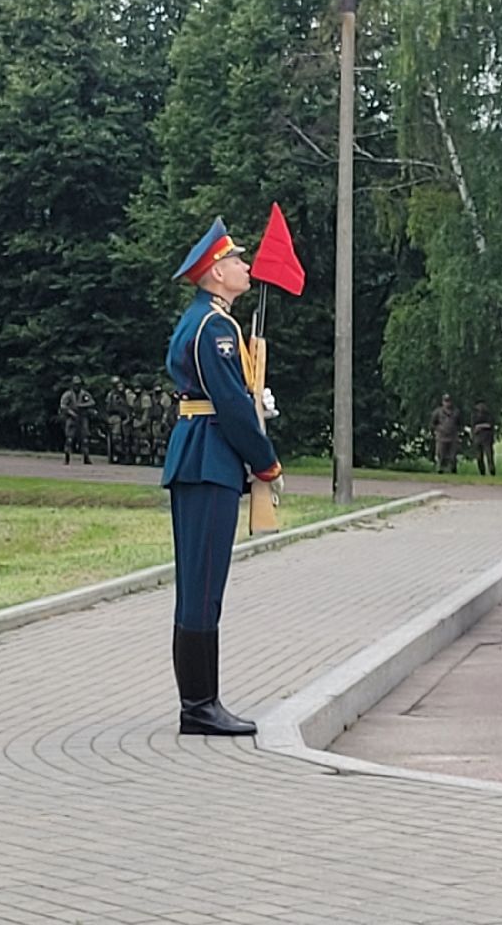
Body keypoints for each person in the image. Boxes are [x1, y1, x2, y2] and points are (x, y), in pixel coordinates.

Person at [161, 217, 282, 735]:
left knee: (197, 584)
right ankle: (199, 707)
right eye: (235, 261)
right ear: (215, 274)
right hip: (210, 456)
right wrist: (265, 460)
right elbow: (230, 405)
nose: (244, 267)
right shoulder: (215, 327)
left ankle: (198, 702)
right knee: (204, 584)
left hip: (198, 452)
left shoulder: (201, 321)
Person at [58, 378, 93, 465]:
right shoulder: (68, 394)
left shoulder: (84, 394)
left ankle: (86, 457)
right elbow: (63, 405)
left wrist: (82, 405)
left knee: (85, 438)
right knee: (69, 438)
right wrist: (71, 412)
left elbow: (92, 402)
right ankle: (67, 458)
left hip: (82, 417)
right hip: (71, 418)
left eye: (79, 384)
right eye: (75, 384)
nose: (77, 386)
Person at [430, 394, 462, 473]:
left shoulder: (456, 412)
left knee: (453, 455)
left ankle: (453, 469)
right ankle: (440, 469)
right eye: (446, 401)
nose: (447, 403)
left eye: (449, 401)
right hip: (441, 436)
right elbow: (432, 423)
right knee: (440, 454)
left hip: (453, 436)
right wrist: (437, 430)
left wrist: (458, 432)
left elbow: (459, 423)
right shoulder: (437, 412)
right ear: (442, 402)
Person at [470, 400, 497, 476]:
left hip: (487, 439)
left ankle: (492, 471)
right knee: (479, 457)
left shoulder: (488, 415)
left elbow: (490, 425)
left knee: (489, 456)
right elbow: (473, 427)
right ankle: (482, 472)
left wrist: (479, 426)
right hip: (477, 439)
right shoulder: (474, 415)